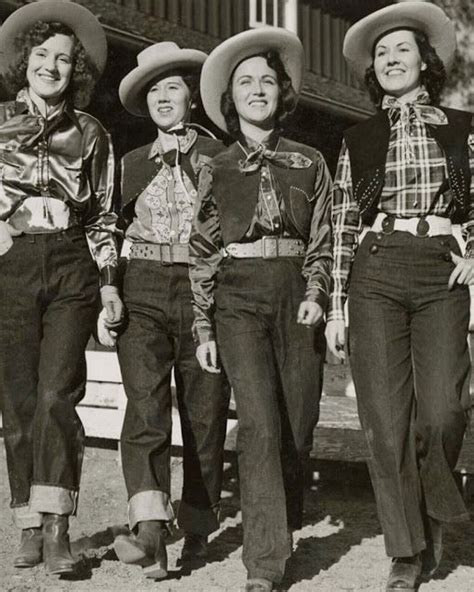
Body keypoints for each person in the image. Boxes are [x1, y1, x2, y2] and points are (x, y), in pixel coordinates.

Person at [326, 2, 473, 591]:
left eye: (401, 49)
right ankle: (407, 549)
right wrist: (337, 304)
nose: (390, 59)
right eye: (381, 53)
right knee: (385, 423)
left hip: (441, 272)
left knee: (440, 411)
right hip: (375, 271)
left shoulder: (462, 128)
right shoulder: (359, 137)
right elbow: (340, 221)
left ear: (424, 61)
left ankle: (436, 507)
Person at [189, 27, 332, 592]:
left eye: (265, 81)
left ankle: (284, 517)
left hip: (297, 290)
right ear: (232, 98)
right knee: (258, 424)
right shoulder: (216, 167)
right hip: (237, 294)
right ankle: (266, 563)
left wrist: (318, 291)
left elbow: (323, 238)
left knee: (297, 425)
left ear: (282, 92)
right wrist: (203, 322)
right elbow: (201, 249)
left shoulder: (312, 162)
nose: (256, 90)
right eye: (244, 82)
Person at [97, 42, 230, 579]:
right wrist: (109, 285)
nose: (162, 98)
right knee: (145, 405)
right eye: (152, 91)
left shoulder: (223, 157)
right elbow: (106, 227)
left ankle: (197, 526)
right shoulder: (130, 163)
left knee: (205, 413)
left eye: (172, 86)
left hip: (205, 290)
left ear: (192, 98)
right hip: (143, 287)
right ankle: (149, 526)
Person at [0, 0, 121, 576]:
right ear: (25, 63)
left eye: (65, 60)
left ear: (78, 72)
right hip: (12, 265)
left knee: (57, 394)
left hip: (72, 262)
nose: (52, 66)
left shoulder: (93, 134)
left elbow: (103, 217)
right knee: (19, 401)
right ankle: (28, 520)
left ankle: (58, 527)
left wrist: (109, 281)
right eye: (43, 56)